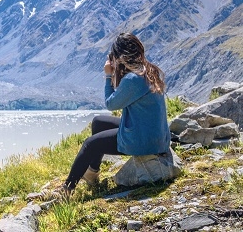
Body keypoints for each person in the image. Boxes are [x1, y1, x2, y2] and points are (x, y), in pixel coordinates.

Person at [55, 32, 171, 196]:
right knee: (98, 123)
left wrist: (108, 74)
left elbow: (111, 104)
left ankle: (66, 190)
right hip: (157, 137)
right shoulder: (149, 70)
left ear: (121, 57)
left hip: (143, 142)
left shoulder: (133, 79)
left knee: (90, 144)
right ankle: (92, 173)